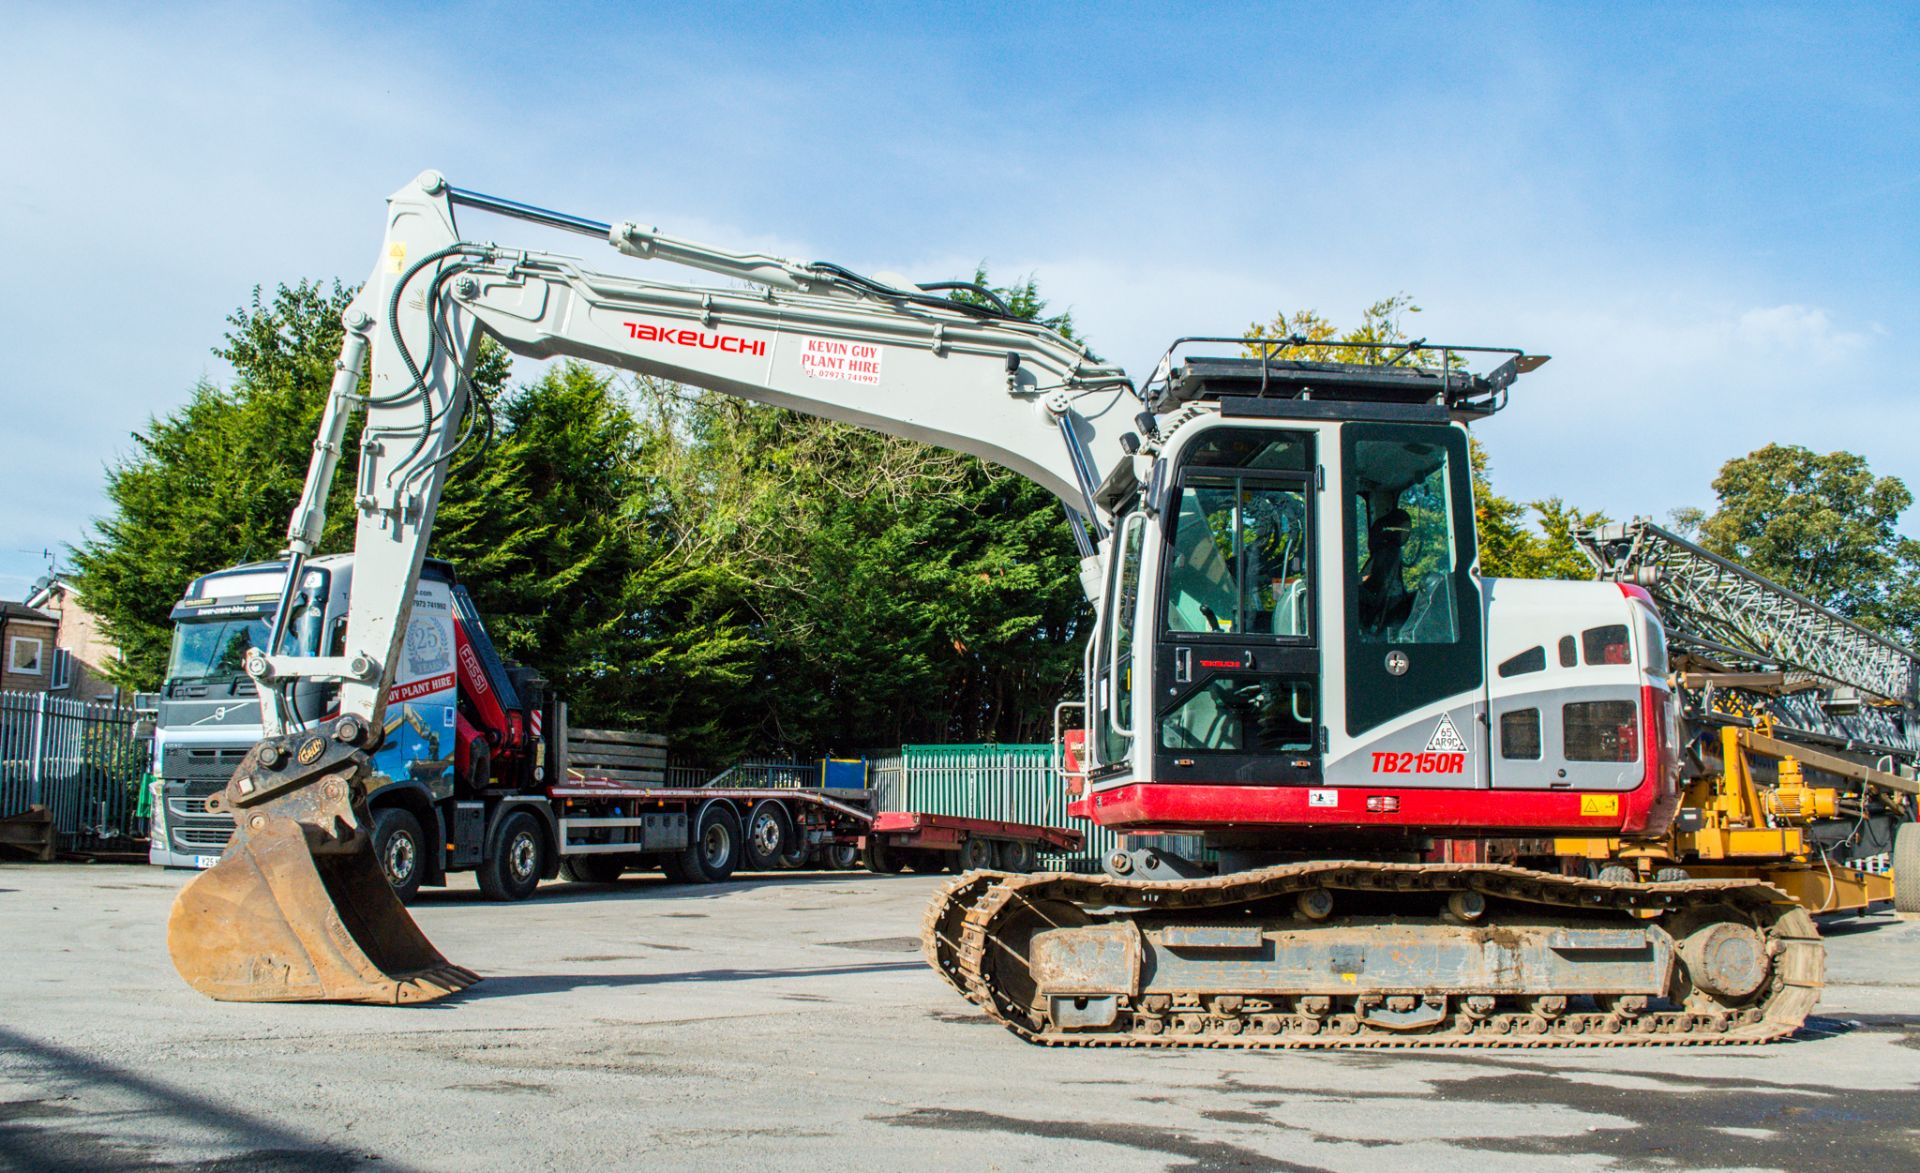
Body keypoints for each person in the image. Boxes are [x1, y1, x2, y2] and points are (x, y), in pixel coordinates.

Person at [1358, 507, 1414, 635]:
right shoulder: (1386, 554)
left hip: (1378, 617)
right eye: (1404, 529)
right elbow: (1368, 580)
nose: (1406, 533)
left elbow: (1373, 585)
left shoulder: (1387, 554)